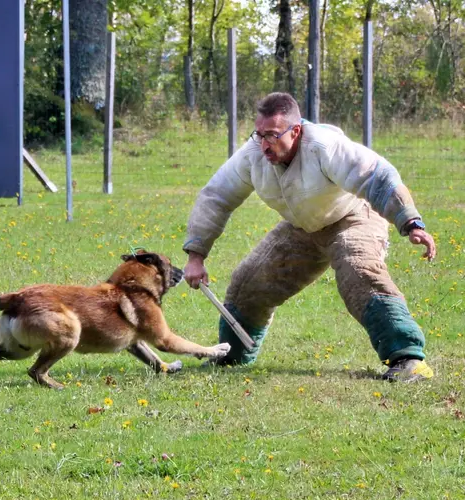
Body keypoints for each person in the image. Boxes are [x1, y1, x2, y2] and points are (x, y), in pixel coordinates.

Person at [182, 92, 436, 383]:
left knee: (358, 269)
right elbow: (216, 196)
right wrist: (196, 255)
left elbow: (376, 177)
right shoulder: (253, 154)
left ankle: (409, 360)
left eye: (273, 135)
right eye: (259, 134)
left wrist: (411, 222)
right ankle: (233, 356)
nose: (264, 143)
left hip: (353, 216)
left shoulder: (324, 146)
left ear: (297, 130)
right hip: (302, 227)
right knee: (247, 283)